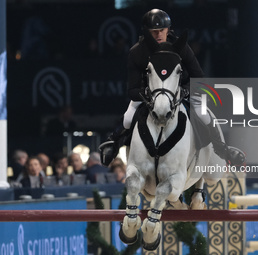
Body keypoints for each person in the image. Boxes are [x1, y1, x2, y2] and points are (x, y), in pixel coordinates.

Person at [99, 9, 245, 166]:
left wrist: (185, 90)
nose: (158, 35)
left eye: (161, 30)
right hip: (150, 96)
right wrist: (149, 94)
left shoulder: (180, 47)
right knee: (128, 117)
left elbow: (199, 77)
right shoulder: (137, 52)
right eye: (153, 31)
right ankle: (113, 144)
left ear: (168, 29)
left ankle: (222, 149)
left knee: (203, 115)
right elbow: (132, 89)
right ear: (147, 32)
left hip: (183, 90)